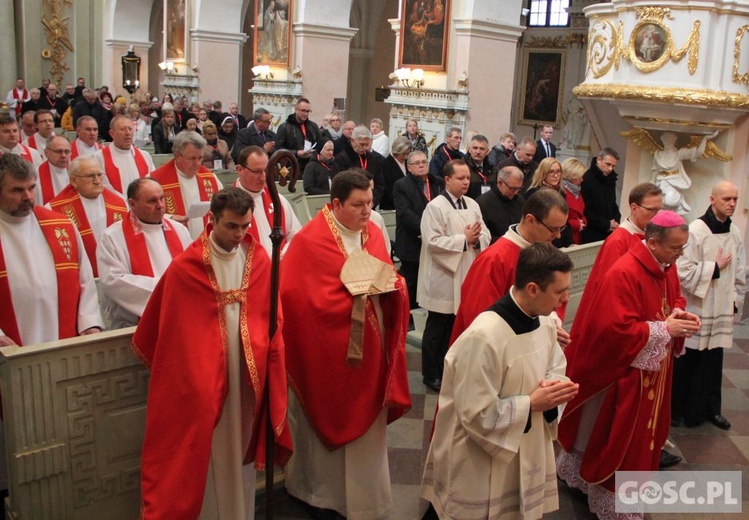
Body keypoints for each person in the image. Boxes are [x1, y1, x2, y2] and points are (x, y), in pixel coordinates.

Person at [132, 187, 292, 518]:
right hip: (202, 384)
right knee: (207, 453)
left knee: (239, 455)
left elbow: (271, 319)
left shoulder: (259, 259)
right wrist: (199, 377)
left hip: (246, 380)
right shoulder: (186, 267)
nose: (239, 234)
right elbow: (172, 336)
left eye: (245, 226)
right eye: (231, 226)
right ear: (212, 220)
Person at [281, 170, 411, 520]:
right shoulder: (309, 241)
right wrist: (351, 296)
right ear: (335, 203)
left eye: (370, 202)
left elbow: (388, 274)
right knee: (324, 441)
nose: (367, 211)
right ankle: (319, 495)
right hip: (328, 354)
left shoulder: (372, 231)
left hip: (371, 349)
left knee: (368, 437)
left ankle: (367, 499)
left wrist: (392, 287)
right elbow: (296, 299)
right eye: (358, 205)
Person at [557, 211, 702, 518]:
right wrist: (665, 330)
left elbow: (669, 302)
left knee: (642, 440)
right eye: (676, 248)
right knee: (614, 437)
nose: (680, 254)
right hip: (624, 375)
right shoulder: (625, 271)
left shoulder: (664, 265)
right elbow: (614, 330)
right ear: (652, 242)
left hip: (652, 370)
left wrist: (678, 317)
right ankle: (606, 492)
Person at [421, 243, 579, 520]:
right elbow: (475, 413)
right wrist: (530, 405)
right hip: (478, 457)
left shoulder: (543, 324)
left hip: (524, 444)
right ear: (532, 289)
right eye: (559, 291)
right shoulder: (484, 336)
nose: (565, 299)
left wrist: (554, 390)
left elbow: (556, 366)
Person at [0, 153, 103, 347]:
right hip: (9, 347)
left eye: (31, 187)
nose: (28, 197)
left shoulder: (61, 225)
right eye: (16, 190)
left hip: (64, 342)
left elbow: (85, 280)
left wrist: (89, 322)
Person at [451, 190, 571, 346]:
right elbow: (479, 319)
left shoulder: (549, 254)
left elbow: (559, 296)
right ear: (530, 220)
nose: (558, 236)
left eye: (561, 229)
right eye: (553, 229)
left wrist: (553, 321)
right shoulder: (494, 259)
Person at [674, 181, 746, 430]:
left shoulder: (735, 232)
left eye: (735, 199)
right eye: (727, 199)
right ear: (712, 199)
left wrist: (736, 297)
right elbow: (681, 270)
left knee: (713, 362)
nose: (732, 204)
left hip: (721, 307)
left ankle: (710, 410)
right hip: (699, 307)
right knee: (690, 361)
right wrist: (714, 267)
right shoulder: (696, 230)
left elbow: (741, 269)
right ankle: (681, 411)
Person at [417, 159, 491, 391]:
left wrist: (477, 239)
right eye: (461, 178)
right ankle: (431, 374)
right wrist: (464, 240)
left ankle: (449, 369)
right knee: (437, 329)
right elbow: (432, 242)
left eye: (468, 178)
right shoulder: (435, 207)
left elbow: (486, 232)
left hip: (465, 270)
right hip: (443, 275)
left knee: (455, 327)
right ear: (447, 180)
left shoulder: (472, 204)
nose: (466, 182)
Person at [97, 178, 193, 329]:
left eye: (162, 198)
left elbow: (192, 269)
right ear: (132, 204)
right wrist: (168, 288)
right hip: (135, 326)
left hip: (180, 319)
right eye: (152, 201)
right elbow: (113, 281)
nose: (160, 206)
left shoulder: (179, 230)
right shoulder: (113, 236)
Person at [47, 156, 127, 277]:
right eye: (90, 176)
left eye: (100, 175)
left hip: (117, 276)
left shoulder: (120, 203)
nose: (97, 181)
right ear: (74, 181)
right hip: (79, 277)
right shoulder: (53, 210)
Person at [393, 151, 442, 313]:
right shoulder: (401, 185)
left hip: (434, 240)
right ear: (409, 167)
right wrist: (426, 229)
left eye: (424, 162)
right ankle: (407, 314)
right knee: (412, 280)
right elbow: (405, 213)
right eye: (417, 163)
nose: (421, 165)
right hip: (412, 240)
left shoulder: (437, 182)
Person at [150, 131, 223, 239]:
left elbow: (224, 207)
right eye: (192, 158)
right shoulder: (154, 181)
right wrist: (168, 217)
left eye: (200, 158)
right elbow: (143, 213)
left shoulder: (210, 178)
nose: (197, 164)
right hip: (171, 243)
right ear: (177, 155)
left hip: (206, 245)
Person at [233, 146, 301, 258]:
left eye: (266, 171)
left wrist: (282, 256)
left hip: (279, 269)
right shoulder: (228, 205)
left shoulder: (278, 200)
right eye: (257, 172)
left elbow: (296, 236)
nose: (263, 177)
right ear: (240, 169)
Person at [651, 131, 718, 215]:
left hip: (674, 182)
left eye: (669, 140)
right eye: (665, 140)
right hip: (660, 182)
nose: (667, 142)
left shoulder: (679, 153)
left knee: (669, 201)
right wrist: (652, 181)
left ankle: (672, 213)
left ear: (674, 140)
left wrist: (705, 139)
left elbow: (698, 152)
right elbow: (655, 169)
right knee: (657, 204)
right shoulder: (657, 154)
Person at [95, 115, 155, 196]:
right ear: (112, 133)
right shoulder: (99, 158)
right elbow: (104, 187)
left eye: (130, 129)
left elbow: (152, 182)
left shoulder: (145, 156)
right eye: (122, 129)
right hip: (115, 206)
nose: (128, 133)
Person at [331, 125, 386, 208]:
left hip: (370, 205)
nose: (364, 148)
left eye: (367, 144)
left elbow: (380, 184)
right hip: (350, 205)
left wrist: (372, 201)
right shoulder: (342, 158)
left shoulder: (372, 158)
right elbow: (339, 184)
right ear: (352, 140)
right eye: (361, 144)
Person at [476, 165, 525, 243]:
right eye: (512, 188)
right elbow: (482, 236)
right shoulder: (483, 203)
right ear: (500, 182)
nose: (516, 192)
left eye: (519, 188)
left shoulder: (520, 200)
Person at [581, 147, 620, 243]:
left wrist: (616, 220)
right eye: (608, 164)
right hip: (591, 232)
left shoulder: (611, 178)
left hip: (609, 231)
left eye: (613, 166)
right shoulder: (587, 178)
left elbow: (613, 203)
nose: (610, 169)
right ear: (599, 159)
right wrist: (607, 224)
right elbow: (586, 209)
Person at [275, 97, 322, 172]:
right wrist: (297, 153)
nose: (305, 114)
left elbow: (320, 145)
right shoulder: (284, 127)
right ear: (296, 110)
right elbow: (278, 150)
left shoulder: (313, 126)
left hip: (311, 165)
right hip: (292, 166)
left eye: (308, 111)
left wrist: (314, 152)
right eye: (303, 110)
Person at [36, 135, 72, 205]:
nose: (63, 155)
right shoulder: (35, 176)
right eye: (58, 151)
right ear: (46, 153)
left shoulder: (77, 172)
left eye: (67, 152)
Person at [379, 136, 411, 210]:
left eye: (408, 154)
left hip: (407, 205)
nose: (406, 157)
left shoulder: (408, 163)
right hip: (391, 206)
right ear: (396, 151)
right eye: (403, 154)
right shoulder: (385, 165)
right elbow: (387, 190)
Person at [561, 157, 587, 245]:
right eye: (580, 176)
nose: (582, 180)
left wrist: (583, 221)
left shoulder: (576, 191)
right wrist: (575, 224)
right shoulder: (561, 192)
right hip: (565, 238)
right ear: (572, 176)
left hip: (577, 235)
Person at [464, 134, 494, 199]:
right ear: (469, 149)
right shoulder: (462, 167)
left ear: (487, 151)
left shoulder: (492, 169)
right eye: (475, 148)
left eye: (482, 149)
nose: (478, 152)